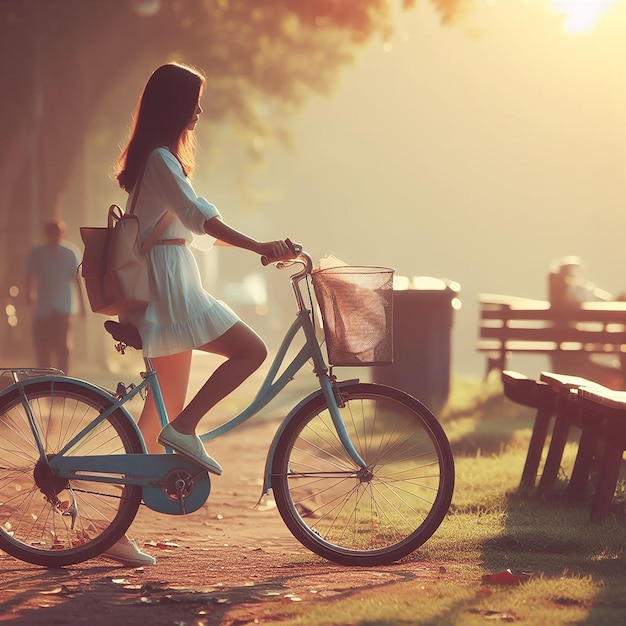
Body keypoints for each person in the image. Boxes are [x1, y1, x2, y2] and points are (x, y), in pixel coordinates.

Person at [105, 62, 294, 565]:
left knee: (151, 419)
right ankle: (185, 430)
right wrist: (260, 246)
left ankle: (111, 532)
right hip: (171, 281)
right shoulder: (162, 161)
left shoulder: (156, 160)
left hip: (169, 277)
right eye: (195, 102)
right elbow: (199, 218)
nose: (200, 112)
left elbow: (189, 218)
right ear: (176, 107)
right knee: (250, 350)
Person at [23, 219, 85, 374]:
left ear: (62, 234)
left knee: (62, 346)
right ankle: (43, 378)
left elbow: (77, 280)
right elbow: (28, 274)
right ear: (47, 234)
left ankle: (62, 379)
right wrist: (28, 294)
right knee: (41, 345)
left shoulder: (70, 252)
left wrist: (83, 305)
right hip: (43, 307)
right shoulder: (37, 252)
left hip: (63, 306)